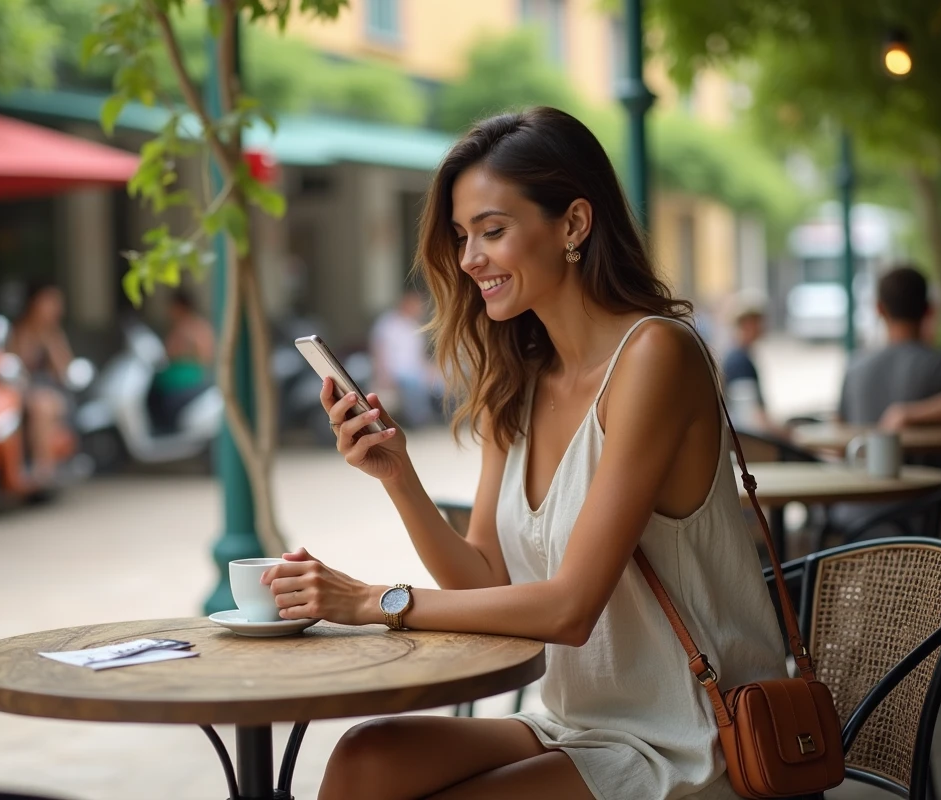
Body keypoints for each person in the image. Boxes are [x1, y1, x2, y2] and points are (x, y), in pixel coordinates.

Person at [257, 107, 786, 799]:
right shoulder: (522, 380)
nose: (470, 258)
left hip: (694, 738)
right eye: (461, 235)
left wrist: (371, 600)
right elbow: (483, 584)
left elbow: (568, 610)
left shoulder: (657, 355)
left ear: (572, 224)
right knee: (368, 757)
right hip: (578, 724)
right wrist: (399, 477)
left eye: (493, 231)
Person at [839, 265, 941, 429]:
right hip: (935, 455)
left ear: (879, 309)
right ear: (928, 310)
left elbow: (838, 427)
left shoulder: (854, 366)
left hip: (864, 454)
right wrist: (908, 414)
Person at [8, 281, 74, 480]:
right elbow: (13, 366)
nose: (55, 308)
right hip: (23, 391)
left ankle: (44, 468)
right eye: (49, 302)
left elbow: (64, 372)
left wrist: (50, 341)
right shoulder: (19, 331)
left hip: (53, 392)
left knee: (42, 406)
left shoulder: (55, 333)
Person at [369, 289, 442, 428]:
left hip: (415, 369)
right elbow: (379, 352)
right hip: (396, 370)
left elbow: (419, 356)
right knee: (414, 383)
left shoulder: (414, 325)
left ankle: (446, 417)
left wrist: (431, 369)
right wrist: (382, 375)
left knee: (443, 379)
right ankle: (420, 420)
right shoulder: (388, 323)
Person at [148, 288, 215, 429]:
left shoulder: (196, 327)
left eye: (172, 307)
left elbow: (206, 357)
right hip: (173, 382)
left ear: (181, 307)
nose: (169, 311)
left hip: (190, 383)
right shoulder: (178, 327)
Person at [721, 291, 779, 434]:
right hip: (753, 444)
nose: (764, 326)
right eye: (759, 321)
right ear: (748, 324)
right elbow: (750, 416)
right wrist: (787, 435)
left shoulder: (738, 356)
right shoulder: (739, 361)